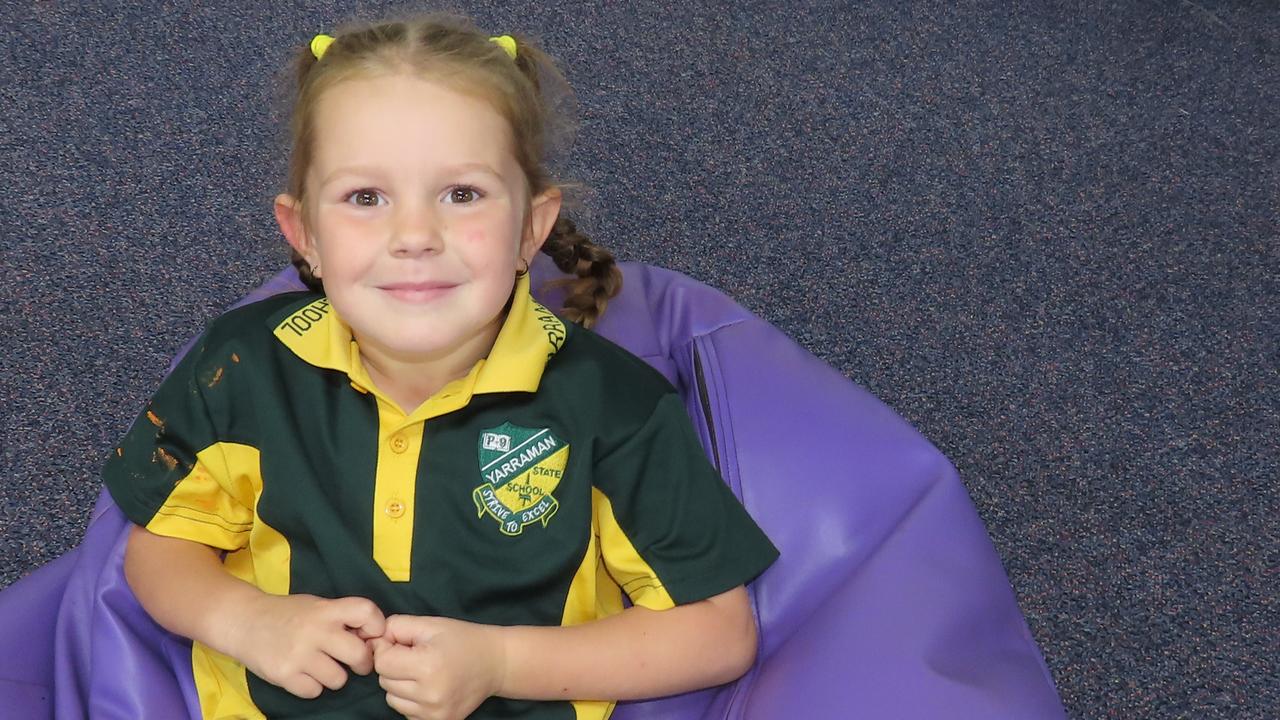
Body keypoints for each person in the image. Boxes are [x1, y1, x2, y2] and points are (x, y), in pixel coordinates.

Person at [104, 13, 778, 720]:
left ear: (530, 228)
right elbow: (161, 550)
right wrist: (248, 622)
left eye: (462, 194)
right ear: (304, 235)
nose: (416, 236)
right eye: (366, 198)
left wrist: (498, 662)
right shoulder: (241, 366)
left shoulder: (612, 405)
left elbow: (717, 632)